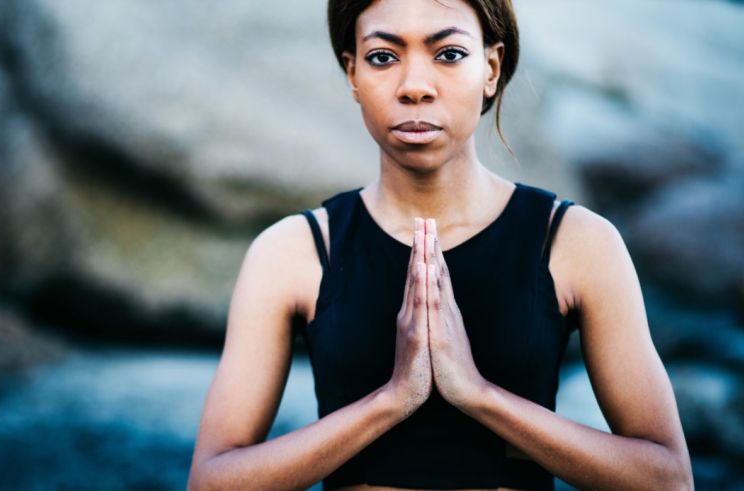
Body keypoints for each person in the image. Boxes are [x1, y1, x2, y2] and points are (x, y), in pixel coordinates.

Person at [187, 0, 693, 489]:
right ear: (353, 75)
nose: (415, 87)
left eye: (448, 54)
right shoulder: (292, 252)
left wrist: (477, 395)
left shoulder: (576, 243)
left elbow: (667, 479)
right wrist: (391, 400)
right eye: (383, 57)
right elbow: (212, 481)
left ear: (491, 67)